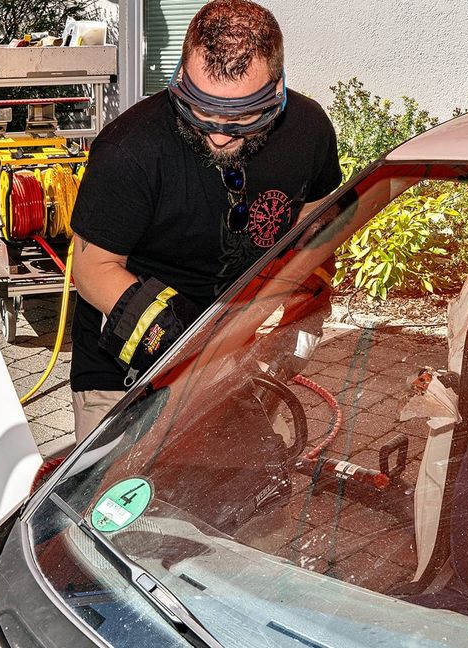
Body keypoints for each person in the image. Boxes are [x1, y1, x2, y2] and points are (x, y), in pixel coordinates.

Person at [68, 0, 341, 442]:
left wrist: (298, 304)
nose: (217, 134)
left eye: (242, 119)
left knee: (243, 499)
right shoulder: (130, 150)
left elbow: (315, 222)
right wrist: (196, 351)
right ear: (181, 78)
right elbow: (92, 272)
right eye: (200, 111)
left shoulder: (308, 130)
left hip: (239, 351)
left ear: (277, 89)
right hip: (128, 368)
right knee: (116, 507)